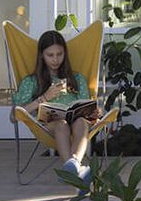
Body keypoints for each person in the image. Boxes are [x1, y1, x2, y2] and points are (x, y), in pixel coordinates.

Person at [13, 29, 98, 180]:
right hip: (50, 125)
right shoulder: (31, 81)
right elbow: (15, 115)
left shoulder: (77, 79)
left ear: (65, 54)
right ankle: (76, 168)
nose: (55, 60)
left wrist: (92, 110)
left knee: (82, 122)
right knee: (61, 124)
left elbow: (85, 106)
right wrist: (44, 97)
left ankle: (72, 167)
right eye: (50, 55)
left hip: (77, 123)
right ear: (41, 56)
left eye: (59, 54)